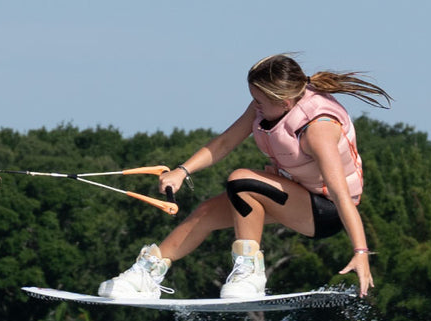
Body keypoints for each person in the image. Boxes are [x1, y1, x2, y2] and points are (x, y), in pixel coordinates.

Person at [98, 54, 389, 300]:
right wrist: (181, 170)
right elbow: (224, 143)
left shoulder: (318, 129)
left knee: (242, 180)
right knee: (207, 212)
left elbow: (340, 194)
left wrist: (360, 251)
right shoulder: (268, 107)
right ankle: (147, 276)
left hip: (327, 211)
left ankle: (250, 273)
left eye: (260, 101)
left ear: (286, 101)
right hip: (296, 195)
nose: (255, 106)